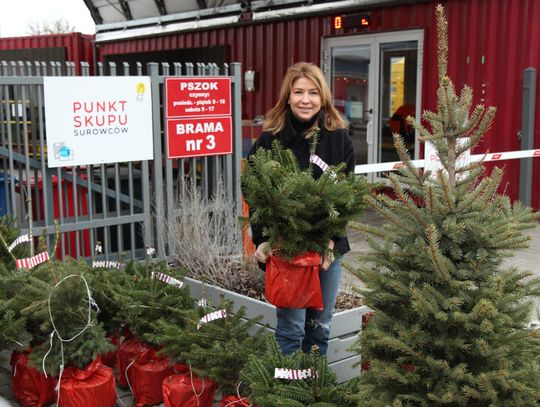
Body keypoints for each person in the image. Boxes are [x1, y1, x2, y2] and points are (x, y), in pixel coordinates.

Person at [247, 62, 355, 356]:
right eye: (298, 92)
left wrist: (331, 241)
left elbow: (346, 196)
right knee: (291, 329)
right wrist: (262, 238)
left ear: (323, 98)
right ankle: (288, 393)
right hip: (286, 248)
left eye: (312, 92)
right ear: (288, 96)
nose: (305, 99)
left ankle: (314, 389)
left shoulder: (338, 138)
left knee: (320, 326)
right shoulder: (271, 138)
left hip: (325, 246)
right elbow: (254, 192)